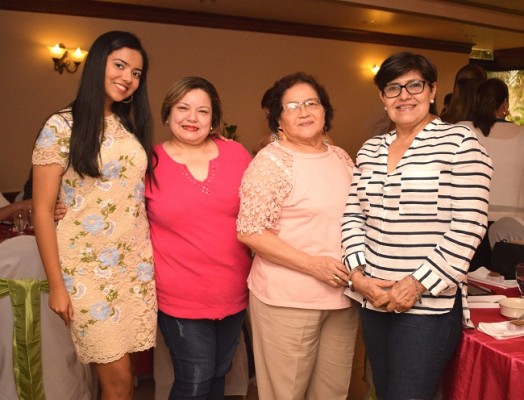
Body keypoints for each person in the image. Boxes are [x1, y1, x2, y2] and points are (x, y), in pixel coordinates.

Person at [341, 52, 492, 400]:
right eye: (393, 88)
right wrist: (359, 276)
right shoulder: (370, 150)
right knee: (384, 390)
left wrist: (413, 285)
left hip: (427, 307)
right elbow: (351, 217)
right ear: (382, 98)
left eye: (414, 85)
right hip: (373, 298)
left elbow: (468, 227)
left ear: (433, 90)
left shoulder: (461, 144)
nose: (404, 95)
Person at [32, 31, 157, 400]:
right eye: (120, 65)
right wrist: (57, 286)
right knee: (116, 377)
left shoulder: (128, 126)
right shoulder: (60, 127)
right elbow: (41, 210)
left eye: (136, 73)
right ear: (97, 64)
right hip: (85, 268)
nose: (128, 77)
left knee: (125, 374)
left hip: (133, 265)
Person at [237, 72, 359, 400]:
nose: (303, 111)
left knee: (332, 392)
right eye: (291, 106)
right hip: (287, 299)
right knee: (285, 393)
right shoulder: (271, 162)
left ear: (325, 111)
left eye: (310, 103)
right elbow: (250, 231)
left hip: (343, 298)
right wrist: (312, 265)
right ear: (278, 120)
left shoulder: (342, 157)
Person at [145, 76, 252, 399]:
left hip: (233, 290)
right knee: (195, 376)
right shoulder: (147, 162)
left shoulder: (236, 155)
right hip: (179, 295)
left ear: (213, 119)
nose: (192, 118)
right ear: (167, 114)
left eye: (202, 111)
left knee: (219, 373)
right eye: (183, 108)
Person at [464, 78, 524, 246]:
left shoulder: (462, 130)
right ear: (504, 103)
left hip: (469, 221)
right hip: (512, 226)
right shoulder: (521, 134)